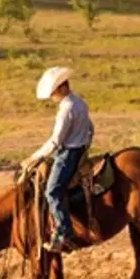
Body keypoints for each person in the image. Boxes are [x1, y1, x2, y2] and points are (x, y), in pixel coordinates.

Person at [21, 67, 95, 252]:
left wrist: (34, 156)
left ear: (62, 87)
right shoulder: (80, 102)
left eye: (53, 92)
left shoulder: (66, 109)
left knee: (52, 191)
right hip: (79, 149)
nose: (52, 96)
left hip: (67, 154)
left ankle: (64, 232)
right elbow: (90, 128)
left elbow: (56, 140)